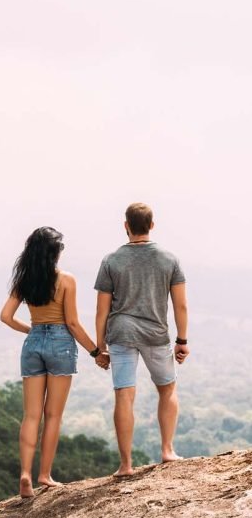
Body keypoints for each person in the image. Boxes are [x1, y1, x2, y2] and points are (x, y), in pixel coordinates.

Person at [0, 226, 110, 498]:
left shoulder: (23, 280)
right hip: (61, 344)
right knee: (53, 415)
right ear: (55, 253)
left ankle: (24, 474)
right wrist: (96, 353)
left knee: (31, 415)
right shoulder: (66, 280)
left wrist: (33, 331)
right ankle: (44, 475)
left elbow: (6, 316)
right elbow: (72, 322)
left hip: (34, 342)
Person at [94, 203, 189, 476]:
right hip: (156, 334)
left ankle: (125, 465)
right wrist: (182, 340)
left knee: (124, 394)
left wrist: (99, 346)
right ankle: (167, 450)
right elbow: (180, 306)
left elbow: (102, 310)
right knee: (167, 389)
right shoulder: (169, 259)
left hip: (121, 333)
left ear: (126, 225)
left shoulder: (111, 260)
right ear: (152, 225)